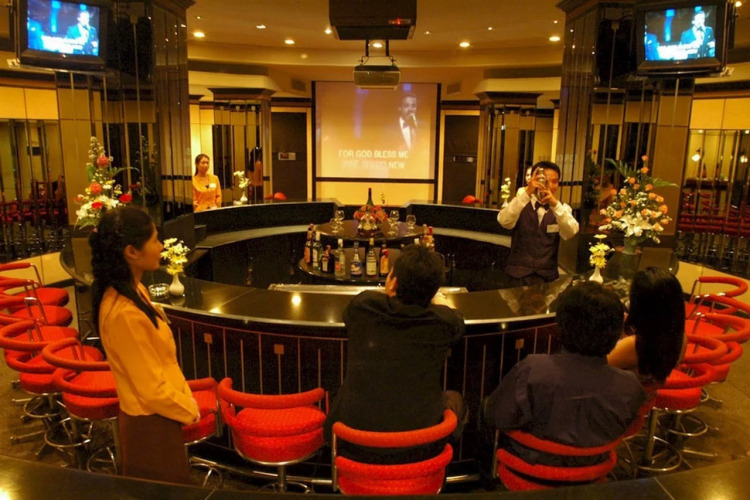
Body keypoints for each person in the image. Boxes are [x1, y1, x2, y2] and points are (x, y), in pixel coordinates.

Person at [324, 244, 465, 464]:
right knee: (455, 399)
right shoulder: (443, 321)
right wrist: (437, 301)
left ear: (393, 281)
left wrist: (391, 293)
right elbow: (457, 321)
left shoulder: (362, 306)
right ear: (434, 291)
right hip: (420, 446)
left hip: (355, 443)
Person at [90, 207, 200, 484]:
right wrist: (190, 409)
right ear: (132, 252)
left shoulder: (135, 290)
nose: (161, 246)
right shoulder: (124, 313)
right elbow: (152, 391)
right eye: (154, 240)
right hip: (150, 425)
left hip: (161, 416)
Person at [486, 282, 645, 467]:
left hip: (530, 469)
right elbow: (625, 429)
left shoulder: (533, 370)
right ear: (618, 332)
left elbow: (499, 417)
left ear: (560, 326)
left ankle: (486, 473)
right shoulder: (631, 387)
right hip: (593, 470)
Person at [498, 161, 579, 286]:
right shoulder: (520, 203)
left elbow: (570, 232)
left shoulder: (562, 208)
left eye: (555, 181)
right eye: (544, 181)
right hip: (517, 276)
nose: (550, 186)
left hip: (548, 278)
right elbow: (504, 221)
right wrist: (527, 193)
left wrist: (555, 205)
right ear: (533, 180)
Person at [608, 267, 686, 388]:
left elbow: (596, 368)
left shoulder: (634, 345)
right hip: (645, 392)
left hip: (621, 396)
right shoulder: (680, 337)